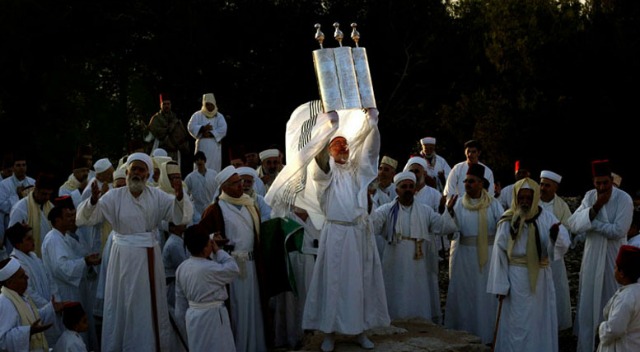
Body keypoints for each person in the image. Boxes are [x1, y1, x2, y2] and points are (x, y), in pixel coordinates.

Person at [265, 100, 390, 351]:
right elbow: (319, 159)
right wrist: (329, 128)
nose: (342, 148)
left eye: (344, 144)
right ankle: (330, 333)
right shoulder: (324, 175)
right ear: (330, 150)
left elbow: (370, 153)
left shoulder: (357, 171)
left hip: (358, 235)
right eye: (337, 145)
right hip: (335, 235)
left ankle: (360, 331)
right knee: (333, 285)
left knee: (361, 284)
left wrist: (372, 123)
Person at [75, 152, 193, 352]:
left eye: (141, 170)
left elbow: (179, 216)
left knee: (147, 307)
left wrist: (180, 197)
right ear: (127, 172)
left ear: (148, 174)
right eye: (133, 169)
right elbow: (85, 219)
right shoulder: (114, 196)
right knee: (122, 304)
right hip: (122, 258)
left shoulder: (156, 195)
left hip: (148, 257)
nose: (136, 173)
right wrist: (94, 201)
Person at [487, 177, 571, 352]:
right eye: (521, 198)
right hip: (515, 279)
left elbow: (563, 244)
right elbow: (499, 253)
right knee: (515, 321)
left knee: (537, 321)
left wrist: (555, 238)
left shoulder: (547, 218)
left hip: (540, 279)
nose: (524, 202)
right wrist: (500, 286)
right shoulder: (508, 220)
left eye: (528, 198)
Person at [370, 171, 456, 322]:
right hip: (394, 259)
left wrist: (447, 210)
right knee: (395, 291)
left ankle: (419, 321)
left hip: (418, 262)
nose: (408, 189)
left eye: (411, 186)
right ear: (397, 190)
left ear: (415, 189)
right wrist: (368, 206)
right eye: (404, 187)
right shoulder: (386, 210)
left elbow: (442, 226)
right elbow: (373, 225)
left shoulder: (425, 210)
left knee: (417, 291)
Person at [198, 165, 267, 352]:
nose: (240, 186)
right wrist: (213, 239)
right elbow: (199, 236)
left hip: (251, 266)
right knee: (237, 310)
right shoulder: (215, 209)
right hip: (232, 268)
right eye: (235, 183)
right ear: (224, 187)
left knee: (253, 309)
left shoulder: (250, 205)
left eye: (241, 182)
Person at [567, 159, 634, 352]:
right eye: (598, 183)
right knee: (588, 302)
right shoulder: (590, 197)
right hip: (592, 257)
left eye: (605, 183)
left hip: (613, 260)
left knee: (611, 302)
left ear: (611, 180)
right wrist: (595, 207)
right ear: (593, 182)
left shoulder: (624, 199)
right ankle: (587, 345)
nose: (602, 187)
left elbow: (618, 231)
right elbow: (573, 224)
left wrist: (592, 224)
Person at [443, 163, 504, 344]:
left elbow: (503, 227)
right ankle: (464, 334)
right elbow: (450, 230)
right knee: (466, 296)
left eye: (471, 181)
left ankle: (488, 335)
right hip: (465, 258)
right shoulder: (459, 204)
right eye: (466, 181)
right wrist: (449, 213)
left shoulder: (493, 204)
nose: (467, 185)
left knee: (486, 297)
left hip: (489, 257)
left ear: (480, 183)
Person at [41, 197, 101, 350]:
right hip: (64, 293)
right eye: (67, 217)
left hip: (75, 291)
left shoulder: (65, 237)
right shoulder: (53, 240)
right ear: (57, 220)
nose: (72, 220)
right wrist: (85, 262)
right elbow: (61, 268)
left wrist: (88, 260)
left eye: (73, 216)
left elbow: (80, 255)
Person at [175, 224, 240, 352]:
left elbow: (180, 305)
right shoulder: (209, 268)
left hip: (193, 317)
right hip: (213, 317)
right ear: (205, 249)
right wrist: (219, 251)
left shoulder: (182, 268)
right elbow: (233, 268)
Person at [6, 222, 63, 346]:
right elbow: (28, 292)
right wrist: (48, 307)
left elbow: (49, 279)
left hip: (50, 305)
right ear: (17, 244)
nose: (33, 241)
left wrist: (55, 300)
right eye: (28, 239)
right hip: (37, 311)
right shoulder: (16, 264)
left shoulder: (34, 256)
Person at [0, 257, 65, 352]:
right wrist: (29, 331)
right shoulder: (4, 302)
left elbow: (32, 317)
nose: (27, 278)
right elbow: (3, 341)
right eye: (22, 276)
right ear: (10, 282)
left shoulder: (21, 296)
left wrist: (51, 309)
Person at [539, 169, 573, 331]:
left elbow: (568, 228)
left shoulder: (562, 206)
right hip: (536, 255)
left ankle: (556, 324)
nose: (542, 188)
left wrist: (556, 236)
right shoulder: (533, 201)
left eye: (547, 185)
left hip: (555, 257)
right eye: (541, 184)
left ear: (555, 188)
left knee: (556, 288)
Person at [596, 245, 640, 352]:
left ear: (621, 273)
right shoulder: (635, 291)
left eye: (615, 267)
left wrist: (601, 329)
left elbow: (615, 329)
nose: (614, 270)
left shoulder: (625, 298)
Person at [9, 172, 56, 258]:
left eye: (49, 194)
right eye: (44, 194)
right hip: (27, 258)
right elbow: (13, 239)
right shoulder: (20, 208)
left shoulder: (50, 207)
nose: (47, 197)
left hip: (47, 256)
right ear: (36, 189)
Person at [0, 154, 35, 256]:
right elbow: (2, 206)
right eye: (18, 165)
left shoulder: (32, 182)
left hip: (31, 220)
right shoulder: (4, 185)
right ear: (13, 167)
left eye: (23, 165)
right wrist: (17, 196)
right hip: (12, 223)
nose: (21, 168)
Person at [187, 93, 228, 172]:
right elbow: (191, 126)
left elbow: (223, 129)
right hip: (202, 145)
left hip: (214, 147)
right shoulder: (197, 115)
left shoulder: (219, 116)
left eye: (211, 104)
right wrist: (202, 129)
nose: (209, 107)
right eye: (207, 105)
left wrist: (210, 134)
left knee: (214, 168)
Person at [148, 93, 190, 167]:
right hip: (160, 149)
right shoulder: (156, 119)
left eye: (168, 104)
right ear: (161, 105)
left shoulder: (175, 118)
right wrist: (168, 129)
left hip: (174, 152)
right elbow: (154, 132)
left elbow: (181, 134)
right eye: (164, 104)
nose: (166, 106)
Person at [184, 151, 218, 224]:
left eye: (201, 159)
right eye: (197, 160)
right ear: (195, 162)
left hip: (212, 207)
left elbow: (218, 189)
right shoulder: (190, 177)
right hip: (197, 210)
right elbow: (184, 192)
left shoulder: (214, 174)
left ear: (204, 160)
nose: (199, 161)